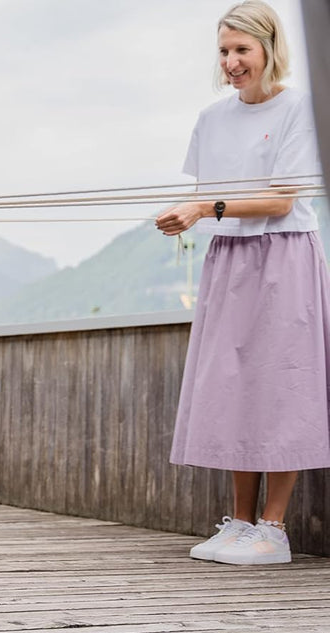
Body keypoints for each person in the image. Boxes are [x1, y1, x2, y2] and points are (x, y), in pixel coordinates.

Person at [156, 1, 326, 564]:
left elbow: (280, 199)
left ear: (268, 49)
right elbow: (211, 196)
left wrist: (205, 207)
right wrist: (192, 213)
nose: (231, 62)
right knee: (231, 381)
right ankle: (240, 523)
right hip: (230, 255)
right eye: (224, 51)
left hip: (284, 256)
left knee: (281, 383)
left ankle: (273, 530)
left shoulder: (301, 108)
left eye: (241, 50)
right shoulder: (212, 119)